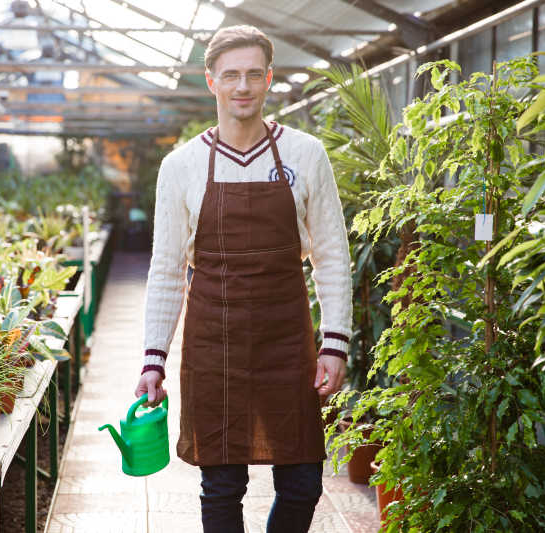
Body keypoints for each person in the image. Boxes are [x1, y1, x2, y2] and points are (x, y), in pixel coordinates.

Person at [134, 25, 353, 533]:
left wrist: (334, 345)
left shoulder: (305, 155)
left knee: (303, 482)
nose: (243, 86)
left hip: (287, 339)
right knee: (222, 487)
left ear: (270, 79)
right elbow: (166, 270)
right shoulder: (181, 165)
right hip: (215, 341)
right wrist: (153, 359)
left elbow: (333, 256)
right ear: (211, 81)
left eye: (255, 74)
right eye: (231, 75)